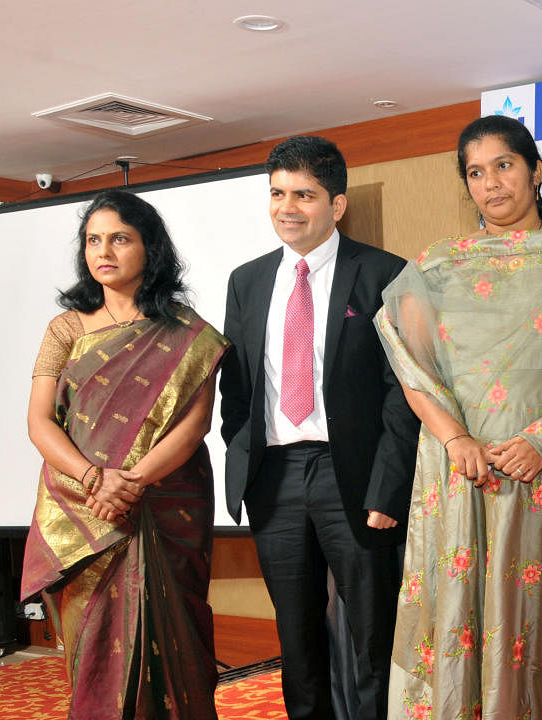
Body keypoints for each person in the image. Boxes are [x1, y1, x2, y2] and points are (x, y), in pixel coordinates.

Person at [375, 114, 542, 719]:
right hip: (459, 470)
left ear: (537, 171)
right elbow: (412, 365)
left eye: (505, 166)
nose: (491, 183)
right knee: (454, 613)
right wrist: (454, 436)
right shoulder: (436, 265)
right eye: (476, 172)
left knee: (540, 617)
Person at [219, 135, 419, 720]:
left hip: (351, 477)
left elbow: (400, 395)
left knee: (371, 634)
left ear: (336, 205)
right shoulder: (247, 281)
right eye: (278, 193)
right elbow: (239, 391)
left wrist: (387, 488)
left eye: (304, 195)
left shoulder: (384, 273)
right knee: (296, 639)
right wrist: (246, 469)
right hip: (275, 479)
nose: (287, 207)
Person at [22, 190, 228, 719]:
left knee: (174, 639)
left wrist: (131, 481)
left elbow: (194, 425)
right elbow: (40, 421)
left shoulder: (187, 332)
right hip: (82, 509)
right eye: (93, 240)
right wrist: (96, 478)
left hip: (162, 503)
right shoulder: (66, 328)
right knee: (94, 649)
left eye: (119, 238)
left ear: (148, 248)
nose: (103, 251)